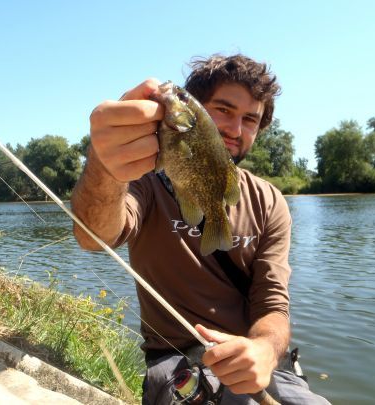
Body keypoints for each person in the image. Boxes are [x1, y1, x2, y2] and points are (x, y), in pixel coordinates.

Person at [71, 54, 329, 404]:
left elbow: (272, 304)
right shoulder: (144, 182)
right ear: (197, 115)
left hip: (261, 362)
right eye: (223, 110)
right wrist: (105, 165)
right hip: (180, 360)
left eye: (249, 119)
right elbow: (92, 237)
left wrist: (265, 350)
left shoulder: (269, 201)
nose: (235, 129)